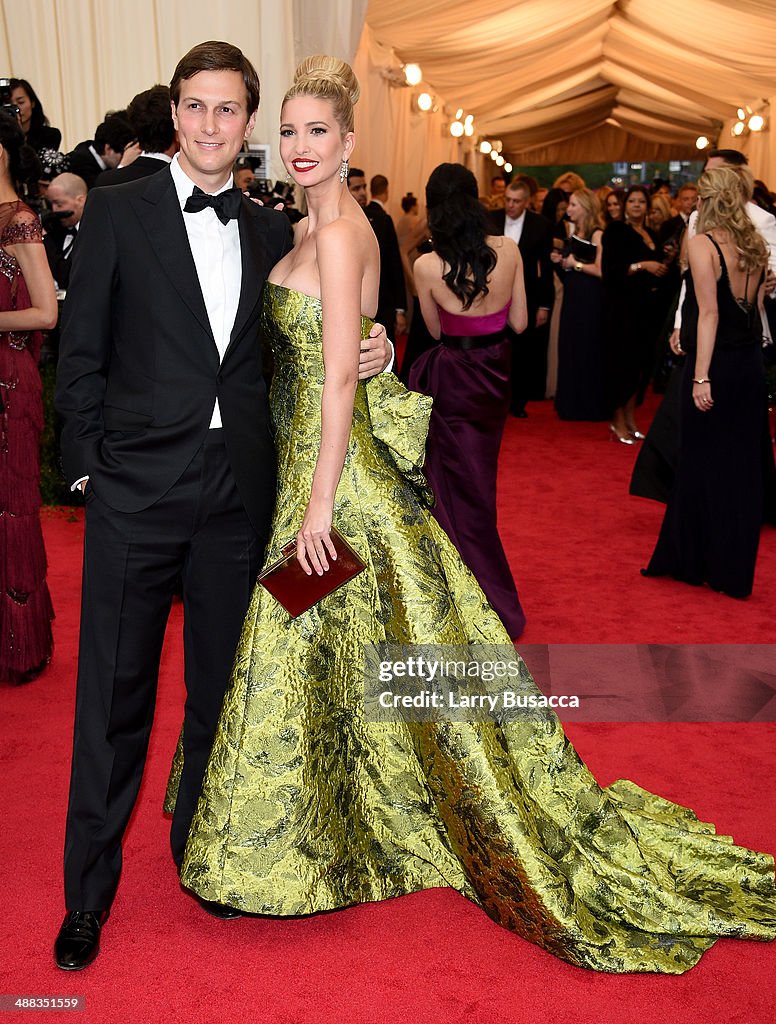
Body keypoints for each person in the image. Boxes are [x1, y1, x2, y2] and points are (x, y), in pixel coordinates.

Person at [178, 56, 776, 977]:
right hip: (315, 475)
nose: (300, 147)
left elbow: (338, 376)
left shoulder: (338, 241)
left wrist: (321, 504)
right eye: (289, 131)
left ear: (347, 143)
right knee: (334, 660)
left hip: (335, 490)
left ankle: (263, 851)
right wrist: (374, 356)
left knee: (287, 646)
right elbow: (349, 348)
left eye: (317, 132)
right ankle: (336, 826)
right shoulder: (308, 233)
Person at [53, 40, 390, 972]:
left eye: (229, 110)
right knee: (111, 705)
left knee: (217, 698)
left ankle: (205, 859)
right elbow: (76, 352)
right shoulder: (117, 210)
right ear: (175, 113)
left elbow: (315, 337)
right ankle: (88, 895)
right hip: (133, 495)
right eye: (195, 108)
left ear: (249, 124)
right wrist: (88, 474)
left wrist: (382, 350)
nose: (211, 126)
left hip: (237, 500)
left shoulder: (269, 227)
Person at [408, 163, 527, 639]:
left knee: (451, 492)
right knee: (482, 487)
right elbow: (518, 322)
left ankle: (465, 597)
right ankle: (480, 591)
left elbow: (435, 331)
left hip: (453, 379)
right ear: (477, 199)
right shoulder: (509, 250)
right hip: (494, 378)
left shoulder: (426, 264)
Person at [643, 167, 768, 597]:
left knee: (699, 463)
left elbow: (710, 315)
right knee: (741, 469)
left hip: (716, 365)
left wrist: (700, 376)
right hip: (750, 365)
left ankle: (693, 561)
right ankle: (731, 571)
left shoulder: (702, 243)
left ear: (707, 200)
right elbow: (752, 307)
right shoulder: (755, 244)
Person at [0, 111, 57, 685]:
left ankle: (19, 646)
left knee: (11, 504)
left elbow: (46, 310)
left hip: (11, 380)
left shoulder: (20, 222)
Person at [601, 186, 667, 443]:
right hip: (622, 310)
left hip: (647, 310)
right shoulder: (616, 231)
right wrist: (643, 265)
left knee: (640, 368)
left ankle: (630, 418)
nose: (637, 205)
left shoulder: (651, 232)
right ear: (624, 204)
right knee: (622, 367)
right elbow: (611, 271)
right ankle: (616, 421)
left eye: (641, 201)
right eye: (632, 201)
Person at [551, 188, 607, 421]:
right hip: (573, 297)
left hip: (590, 299)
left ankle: (588, 405)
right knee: (569, 345)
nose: (569, 209)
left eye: (573, 205)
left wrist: (575, 264)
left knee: (587, 347)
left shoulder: (597, 234)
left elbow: (602, 270)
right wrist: (562, 262)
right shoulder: (575, 233)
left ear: (585, 207)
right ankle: (570, 404)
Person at [9, 79, 61, 153]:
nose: (16, 108)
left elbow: (34, 162)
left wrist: (20, 136)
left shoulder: (50, 135)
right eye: (10, 105)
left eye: (21, 102)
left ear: (32, 103)